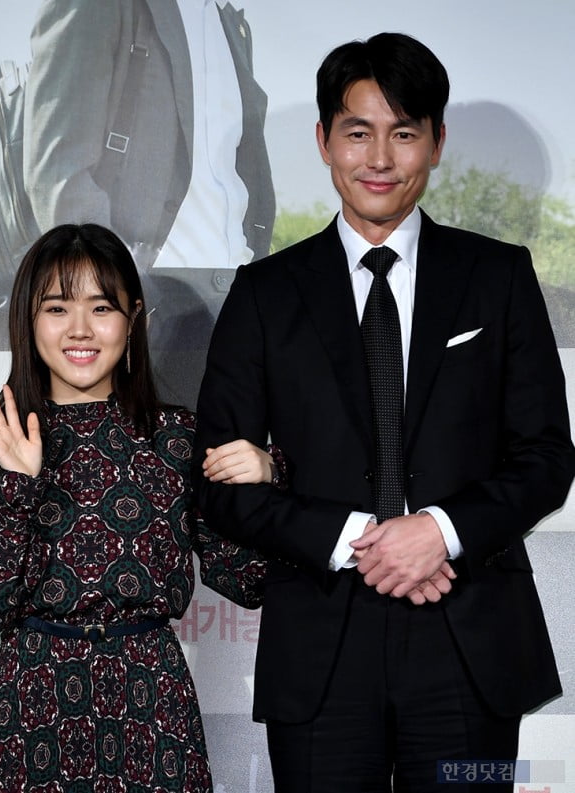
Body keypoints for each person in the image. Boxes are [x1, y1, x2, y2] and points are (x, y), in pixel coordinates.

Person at [193, 32, 575, 792]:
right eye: (357, 131)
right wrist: (361, 539)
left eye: (403, 133)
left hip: (467, 638)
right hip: (321, 645)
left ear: (436, 142)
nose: (379, 158)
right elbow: (220, 480)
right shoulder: (265, 293)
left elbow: (546, 457)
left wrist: (440, 530)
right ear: (324, 141)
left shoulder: (496, 277)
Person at [0, 223, 277, 792]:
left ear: (134, 318)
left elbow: (244, 578)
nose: (80, 329)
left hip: (150, 698)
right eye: (56, 307)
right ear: (28, 320)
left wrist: (268, 476)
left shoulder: (177, 439)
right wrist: (20, 485)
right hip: (31, 704)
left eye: (101, 307)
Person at [0, 0, 275, 407]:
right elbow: (59, 175)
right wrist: (115, 303)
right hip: (151, 312)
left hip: (234, 305)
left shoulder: (226, 19)